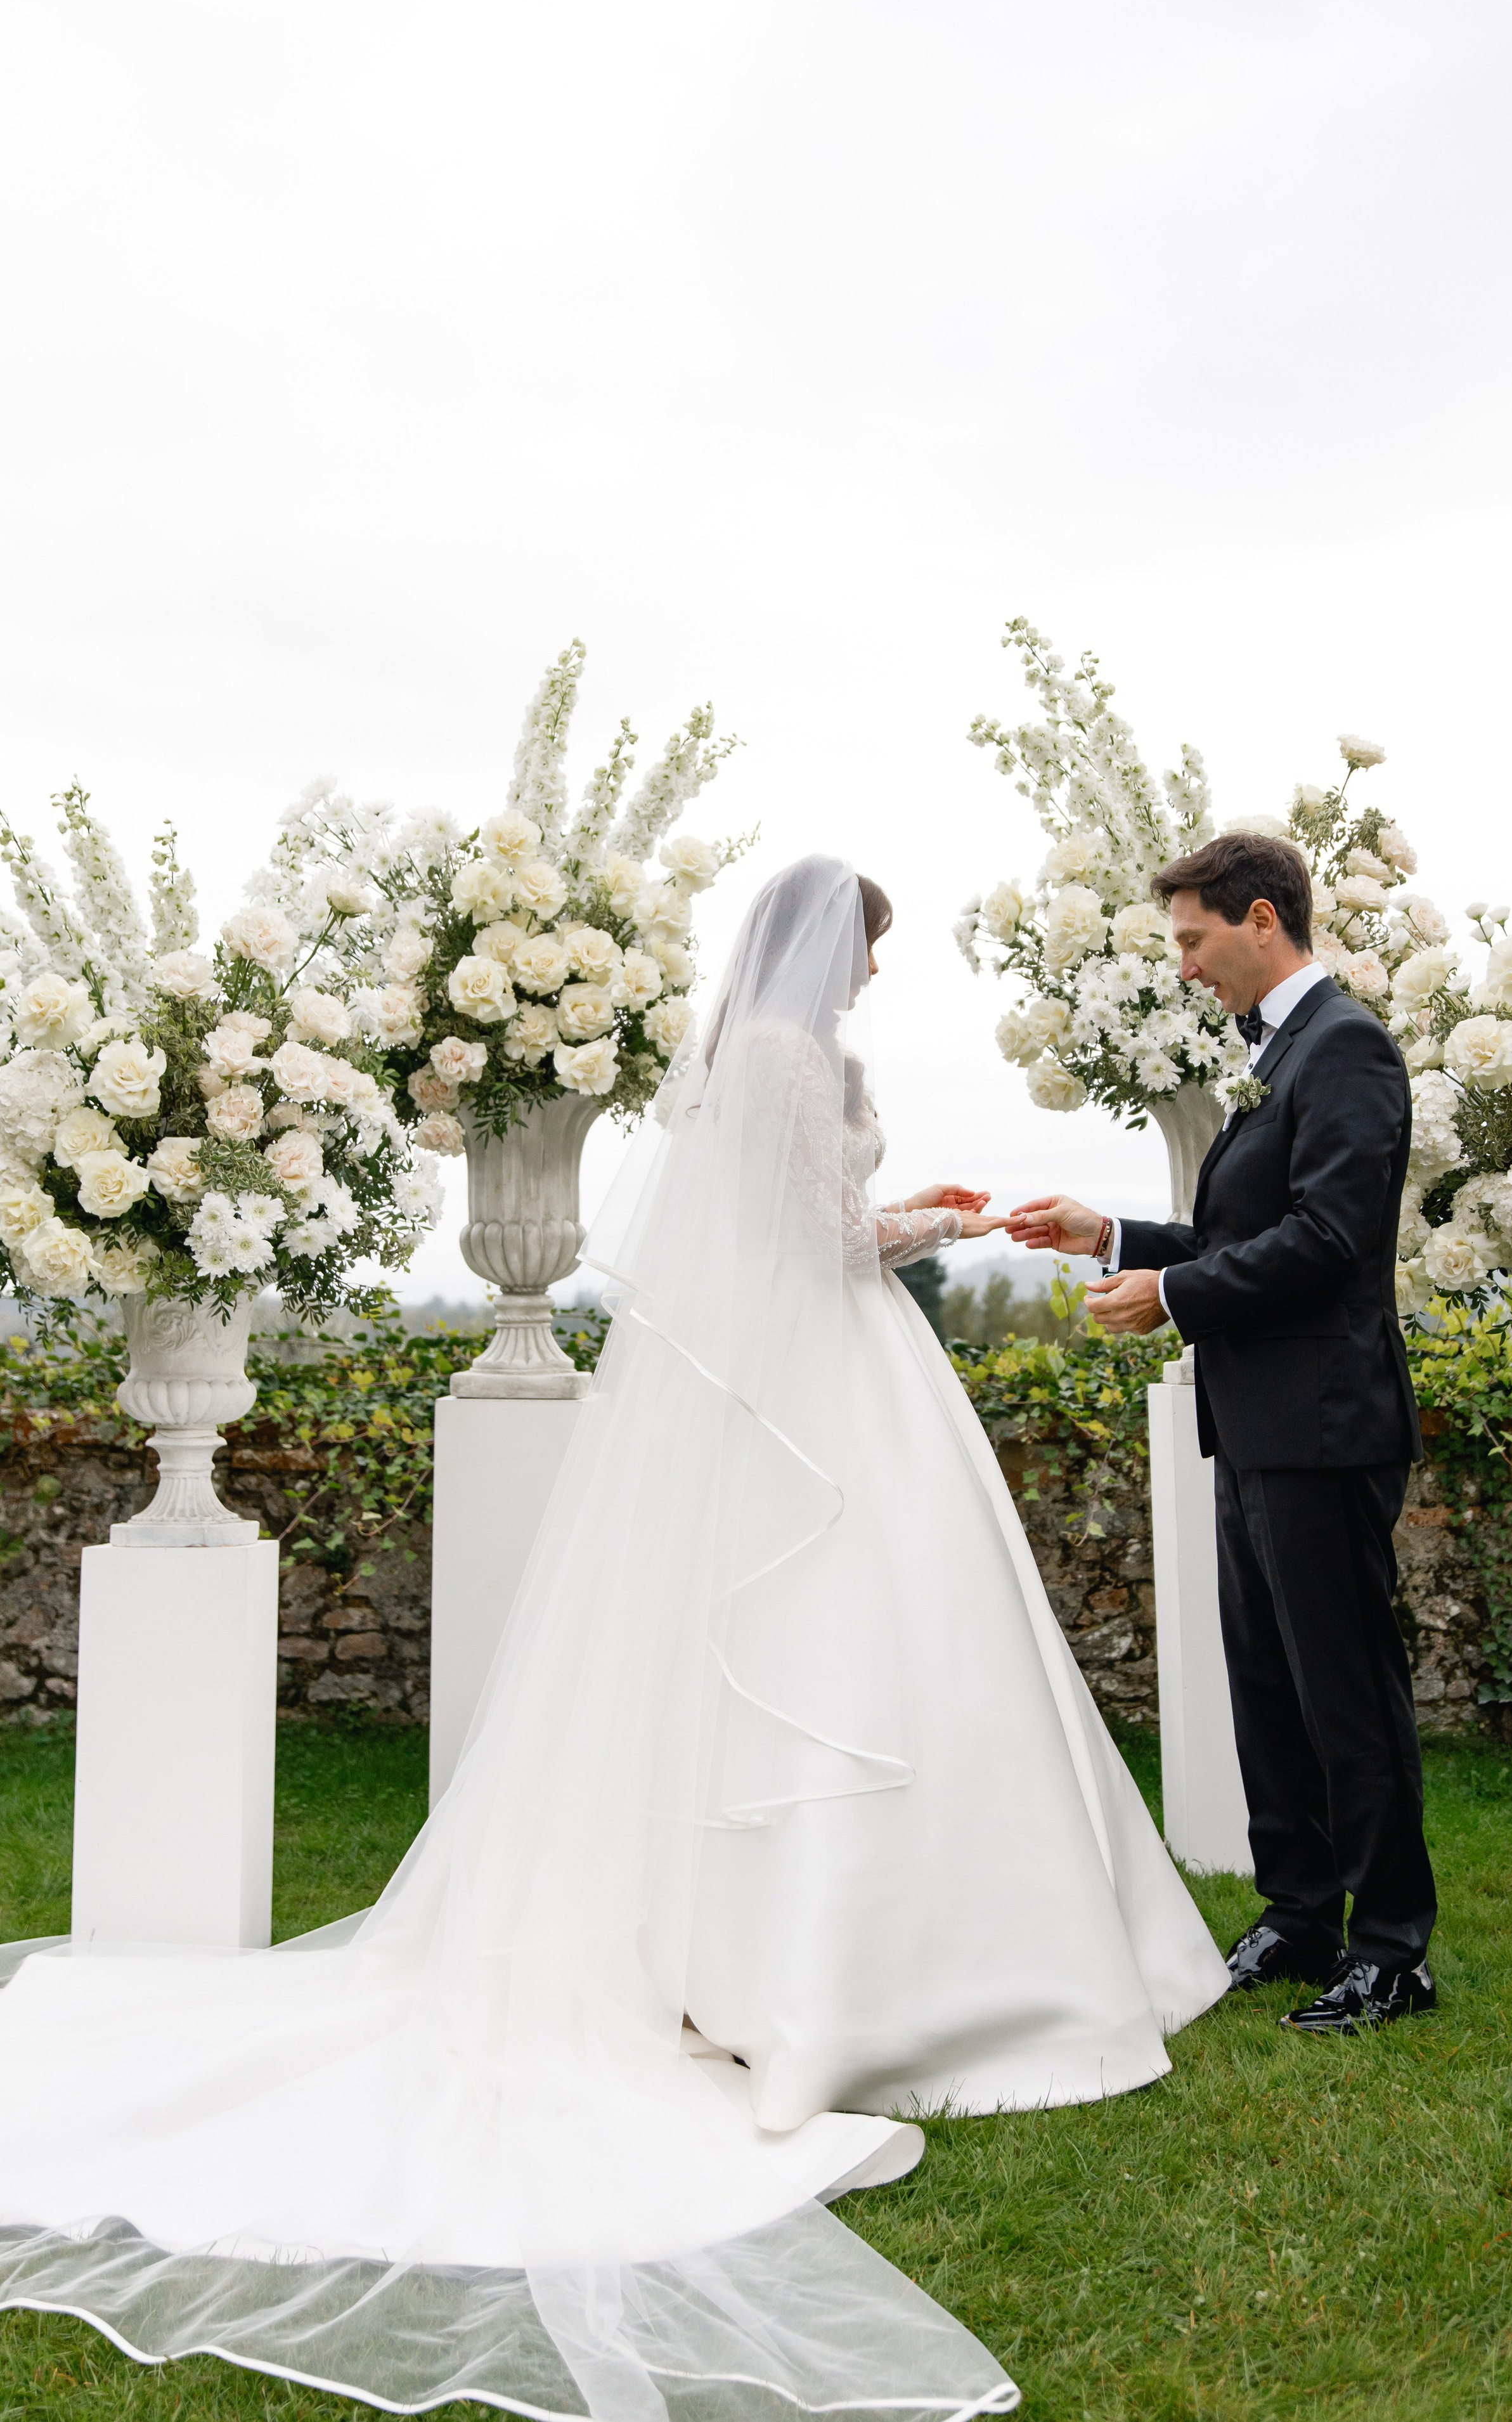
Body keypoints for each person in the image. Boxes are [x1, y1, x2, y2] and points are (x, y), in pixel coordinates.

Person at [0, 855, 1225, 2422]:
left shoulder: (784, 1055)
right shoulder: (782, 1058)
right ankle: (827, 1976)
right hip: (818, 1382)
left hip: (828, 1373)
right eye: (863, 947)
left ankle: (887, 1956)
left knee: (890, 1646)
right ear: (819, 943)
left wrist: (918, 1214)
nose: (867, 974)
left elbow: (815, 1223)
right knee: (832, 1649)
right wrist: (918, 1228)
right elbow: (815, 1247)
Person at [1007, 831, 1436, 2038]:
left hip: (1326, 1424)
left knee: (1347, 1691)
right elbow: (1243, 1232)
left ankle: (1393, 1946)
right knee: (1269, 1687)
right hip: (1251, 1424)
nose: (1186, 966)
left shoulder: (1344, 1045)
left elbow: (1330, 1241)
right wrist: (1114, 1239)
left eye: (1194, 941)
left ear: (1262, 918)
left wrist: (1173, 1299)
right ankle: (1301, 1914)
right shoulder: (1280, 1053)